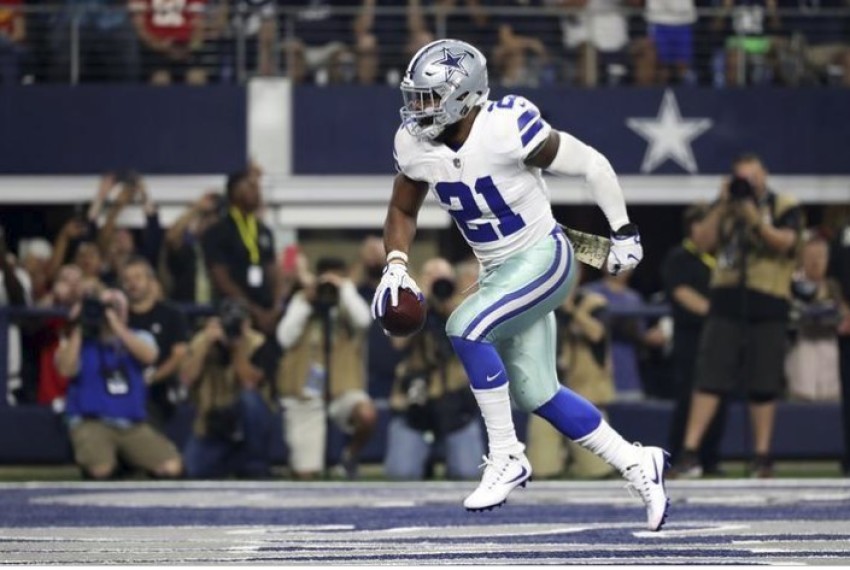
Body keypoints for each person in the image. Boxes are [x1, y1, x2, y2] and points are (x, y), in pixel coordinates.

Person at [370, 38, 668, 530]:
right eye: (414, 97)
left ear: (464, 95)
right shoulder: (416, 144)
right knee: (538, 393)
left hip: (543, 257)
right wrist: (396, 263)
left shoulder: (506, 126)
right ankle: (638, 462)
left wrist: (623, 230)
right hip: (498, 273)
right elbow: (403, 208)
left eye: (428, 98)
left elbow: (591, 163)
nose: (416, 109)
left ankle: (507, 454)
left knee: (465, 326)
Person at [673, 154, 804, 478]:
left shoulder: (785, 205)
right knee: (709, 378)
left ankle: (762, 457)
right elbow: (702, 241)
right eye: (741, 178)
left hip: (769, 299)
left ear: (765, 176)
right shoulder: (725, 207)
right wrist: (722, 203)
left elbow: (785, 243)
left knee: (764, 382)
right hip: (727, 300)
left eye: (753, 177)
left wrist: (756, 218)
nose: (748, 184)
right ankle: (690, 453)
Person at [54, 288, 182, 479]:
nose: (108, 313)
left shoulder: (138, 336)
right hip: (91, 421)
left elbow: (149, 356)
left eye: (114, 307)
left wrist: (117, 326)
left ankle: (128, 463)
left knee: (171, 466)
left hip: (132, 424)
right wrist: (80, 327)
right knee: (101, 470)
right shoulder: (81, 342)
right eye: (104, 307)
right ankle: (113, 463)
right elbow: (65, 369)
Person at [277, 256, 377, 480]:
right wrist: (306, 300)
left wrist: (346, 289)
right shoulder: (302, 300)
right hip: (307, 394)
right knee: (306, 474)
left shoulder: (347, 302)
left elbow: (364, 321)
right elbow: (284, 338)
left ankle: (348, 458)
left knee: (366, 414)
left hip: (342, 390)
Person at [384, 257, 484, 481]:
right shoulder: (408, 305)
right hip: (414, 402)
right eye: (431, 276)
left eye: (444, 278)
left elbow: (472, 332)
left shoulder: (464, 305)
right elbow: (398, 342)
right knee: (402, 475)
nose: (438, 283)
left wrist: (447, 302)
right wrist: (419, 301)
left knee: (468, 474)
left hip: (456, 403)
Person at [526, 277, 616, 480]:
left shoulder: (593, 303)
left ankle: (577, 462)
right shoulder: (539, 305)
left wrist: (572, 311)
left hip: (585, 393)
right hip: (548, 393)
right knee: (541, 469)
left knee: (598, 472)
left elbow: (597, 334)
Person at [661, 203, 726, 477]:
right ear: (693, 227)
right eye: (704, 225)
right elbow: (681, 292)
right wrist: (716, 312)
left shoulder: (722, 259)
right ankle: (679, 456)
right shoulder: (679, 257)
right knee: (688, 396)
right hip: (691, 337)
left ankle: (710, 458)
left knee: (717, 396)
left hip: (719, 338)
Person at [179, 298, 276, 479]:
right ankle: (234, 463)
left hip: (246, 421)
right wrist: (205, 345)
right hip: (213, 422)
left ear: (247, 323)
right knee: (194, 470)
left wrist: (237, 348)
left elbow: (249, 383)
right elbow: (186, 380)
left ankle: (255, 464)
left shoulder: (258, 343)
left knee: (249, 400)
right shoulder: (203, 340)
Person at [202, 170, 283, 336]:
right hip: (234, 314)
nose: (257, 191)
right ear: (234, 191)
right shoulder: (218, 232)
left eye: (258, 187)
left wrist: (275, 307)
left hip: (267, 312)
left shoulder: (264, 231)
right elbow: (221, 279)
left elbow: (273, 270)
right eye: (251, 186)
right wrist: (254, 311)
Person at [122, 256, 190, 432]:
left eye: (137, 277)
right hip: (120, 391)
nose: (132, 283)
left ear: (151, 281)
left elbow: (180, 355)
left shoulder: (171, 315)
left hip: (158, 394)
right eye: (127, 279)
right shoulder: (117, 317)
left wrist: (151, 379)